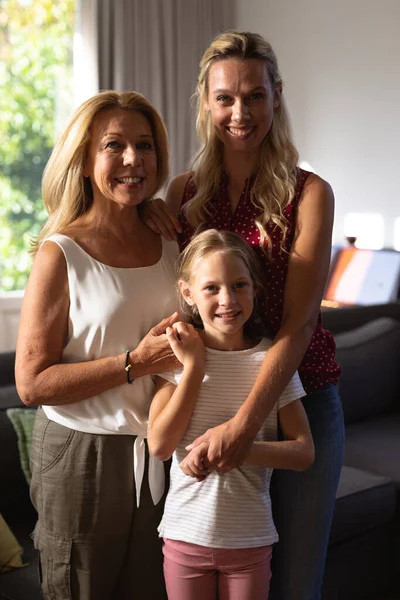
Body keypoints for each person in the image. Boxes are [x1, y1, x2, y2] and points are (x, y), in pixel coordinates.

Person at [142, 30, 345, 600]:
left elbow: (300, 322)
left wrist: (244, 426)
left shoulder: (310, 194)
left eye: (255, 95)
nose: (240, 112)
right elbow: (179, 292)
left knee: (295, 584)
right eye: (225, 97)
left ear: (276, 96)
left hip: (299, 396)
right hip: (212, 397)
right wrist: (145, 215)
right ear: (205, 102)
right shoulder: (183, 193)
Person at [15, 90, 181, 600]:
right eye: (114, 145)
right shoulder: (60, 253)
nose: (133, 159)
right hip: (79, 453)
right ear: (86, 162)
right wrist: (135, 363)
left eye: (145, 145)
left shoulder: (171, 241)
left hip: (159, 451)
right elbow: (31, 383)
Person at [147, 229, 314, 600]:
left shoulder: (272, 361)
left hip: (250, 541)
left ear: (255, 288)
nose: (228, 300)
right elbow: (159, 446)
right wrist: (192, 367)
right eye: (211, 288)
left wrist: (236, 447)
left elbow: (304, 452)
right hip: (184, 537)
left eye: (239, 285)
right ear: (188, 293)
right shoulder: (175, 356)